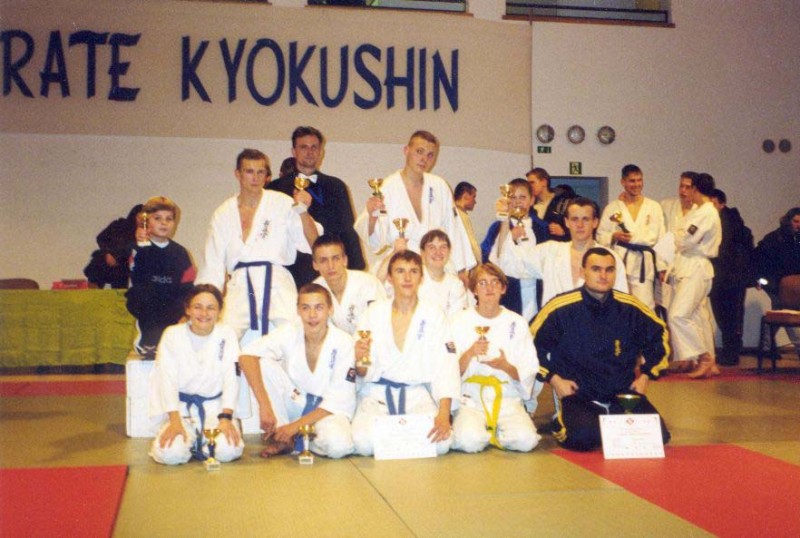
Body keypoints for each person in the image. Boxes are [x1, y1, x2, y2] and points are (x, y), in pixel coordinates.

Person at [531, 248, 671, 452]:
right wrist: (554, 379)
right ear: (583, 272)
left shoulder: (630, 308)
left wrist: (646, 375)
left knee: (658, 436)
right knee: (583, 438)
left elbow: (660, 334)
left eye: (609, 270)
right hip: (579, 394)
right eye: (596, 269)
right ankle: (560, 421)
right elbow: (529, 344)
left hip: (623, 394)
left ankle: (609, 421)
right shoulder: (561, 308)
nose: (603, 275)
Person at [197, 148, 322, 345]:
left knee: (297, 335)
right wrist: (203, 303)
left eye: (260, 172)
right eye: (249, 171)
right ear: (238, 174)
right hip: (240, 284)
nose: (255, 178)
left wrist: (303, 211)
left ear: (266, 176)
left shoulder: (282, 203)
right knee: (221, 338)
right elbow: (213, 263)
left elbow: (314, 243)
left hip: (277, 282)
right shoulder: (223, 213)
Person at [351, 250, 460, 456]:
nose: (407, 277)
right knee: (363, 442)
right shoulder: (373, 312)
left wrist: (444, 413)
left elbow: (446, 366)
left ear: (421, 277)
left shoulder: (434, 314)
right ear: (389, 278)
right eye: (400, 271)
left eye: (413, 271)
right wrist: (359, 361)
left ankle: (394, 437)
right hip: (376, 395)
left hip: (415, 394)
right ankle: (403, 438)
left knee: (442, 443)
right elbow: (362, 371)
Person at [239, 283, 356, 459]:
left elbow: (339, 399)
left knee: (338, 446)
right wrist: (265, 406)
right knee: (264, 364)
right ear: (298, 311)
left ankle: (301, 438)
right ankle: (285, 438)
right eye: (305, 308)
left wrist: (295, 427)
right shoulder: (289, 332)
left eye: (319, 307)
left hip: (327, 411)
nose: (312, 315)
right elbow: (246, 356)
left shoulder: (344, 342)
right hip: (297, 402)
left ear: (330, 310)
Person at [354, 130, 476, 280]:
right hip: (402, 265)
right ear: (406, 150)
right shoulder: (388, 187)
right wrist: (372, 217)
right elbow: (377, 241)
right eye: (419, 151)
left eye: (430, 155)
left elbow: (454, 229)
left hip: (436, 266)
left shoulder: (439, 186)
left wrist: (461, 269)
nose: (424, 159)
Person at [148, 284, 244, 465]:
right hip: (180, 409)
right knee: (170, 454)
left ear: (220, 311)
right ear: (188, 309)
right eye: (197, 307)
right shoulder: (172, 335)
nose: (204, 313)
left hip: (215, 408)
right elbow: (166, 380)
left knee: (228, 450)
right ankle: (190, 443)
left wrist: (226, 418)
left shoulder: (226, 334)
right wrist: (174, 420)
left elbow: (232, 378)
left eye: (211, 307)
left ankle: (201, 443)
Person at [451, 263, 539, 453]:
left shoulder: (517, 322)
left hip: (507, 397)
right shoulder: (458, 321)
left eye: (494, 282)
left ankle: (496, 432)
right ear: (474, 290)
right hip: (471, 398)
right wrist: (470, 353)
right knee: (469, 442)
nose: (489, 288)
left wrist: (505, 366)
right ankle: (480, 430)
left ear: (503, 288)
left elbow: (529, 367)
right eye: (482, 283)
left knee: (526, 441)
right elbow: (449, 369)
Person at [266, 126, 365, 287]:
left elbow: (347, 229)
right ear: (294, 151)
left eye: (314, 147)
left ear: (320, 151)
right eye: (303, 147)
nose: (309, 152)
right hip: (290, 270)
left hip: (330, 270)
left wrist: (355, 269)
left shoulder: (336, 186)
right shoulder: (275, 189)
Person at [498, 197, 628, 309]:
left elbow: (622, 302)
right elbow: (508, 262)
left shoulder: (609, 258)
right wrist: (505, 220)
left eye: (585, 219)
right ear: (566, 222)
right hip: (556, 326)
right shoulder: (550, 251)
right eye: (574, 219)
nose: (580, 225)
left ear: (595, 222)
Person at [125, 196, 196, 359]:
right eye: (157, 218)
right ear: (145, 221)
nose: (164, 223)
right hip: (146, 304)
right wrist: (138, 240)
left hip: (172, 304)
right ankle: (146, 340)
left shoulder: (180, 253)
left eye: (169, 219)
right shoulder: (138, 247)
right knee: (147, 302)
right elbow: (125, 260)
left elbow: (187, 285)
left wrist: (185, 310)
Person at [668, 172, 722, 378]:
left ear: (695, 189)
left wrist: (678, 239)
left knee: (677, 315)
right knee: (697, 316)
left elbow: (684, 241)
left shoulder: (706, 212)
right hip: (688, 265)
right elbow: (682, 237)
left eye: (688, 188)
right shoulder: (698, 211)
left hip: (696, 267)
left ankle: (704, 356)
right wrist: (679, 238)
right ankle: (709, 360)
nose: (685, 192)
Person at [597, 164, 666, 310]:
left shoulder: (654, 207)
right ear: (623, 182)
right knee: (619, 305)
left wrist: (662, 268)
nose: (637, 184)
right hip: (620, 261)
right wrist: (614, 236)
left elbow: (661, 239)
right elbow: (600, 235)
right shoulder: (612, 207)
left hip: (643, 264)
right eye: (632, 181)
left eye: (639, 180)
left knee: (644, 307)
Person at [482, 178, 547, 322]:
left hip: (537, 289)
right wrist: (509, 237)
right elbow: (489, 260)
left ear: (532, 200)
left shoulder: (542, 228)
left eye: (522, 197)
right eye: (513, 197)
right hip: (510, 290)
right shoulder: (497, 227)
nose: (517, 202)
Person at [708, 189, 755, 366]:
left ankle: (731, 352)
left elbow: (724, 250)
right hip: (728, 277)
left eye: (713, 204)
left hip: (729, 277)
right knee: (728, 316)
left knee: (728, 316)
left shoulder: (728, 222)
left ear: (721, 204)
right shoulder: (732, 221)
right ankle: (731, 350)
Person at [311, 234, 386, 335]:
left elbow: (381, 325)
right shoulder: (314, 292)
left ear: (345, 260)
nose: (331, 266)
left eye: (336, 258)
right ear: (315, 265)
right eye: (323, 260)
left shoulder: (368, 284)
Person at [754, 207, 800, 353]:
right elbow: (760, 260)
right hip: (775, 282)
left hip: (789, 284)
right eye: (796, 221)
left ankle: (766, 347)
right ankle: (769, 347)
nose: (798, 225)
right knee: (783, 312)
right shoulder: (774, 239)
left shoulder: (789, 238)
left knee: (780, 313)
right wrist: (760, 278)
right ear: (788, 221)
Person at [84, 203, 142, 289]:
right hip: (105, 259)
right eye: (139, 217)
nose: (141, 220)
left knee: (120, 291)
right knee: (95, 278)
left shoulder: (143, 234)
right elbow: (101, 238)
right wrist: (107, 253)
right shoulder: (119, 224)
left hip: (123, 266)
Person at [418, 229, 469, 317]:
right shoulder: (413, 280)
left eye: (443, 247)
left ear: (449, 252)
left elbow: (458, 319)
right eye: (432, 247)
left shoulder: (456, 284)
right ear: (422, 252)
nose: (438, 252)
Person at [454, 181, 482, 263]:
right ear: (465, 196)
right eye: (473, 197)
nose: (475, 201)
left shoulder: (462, 214)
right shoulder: (455, 215)